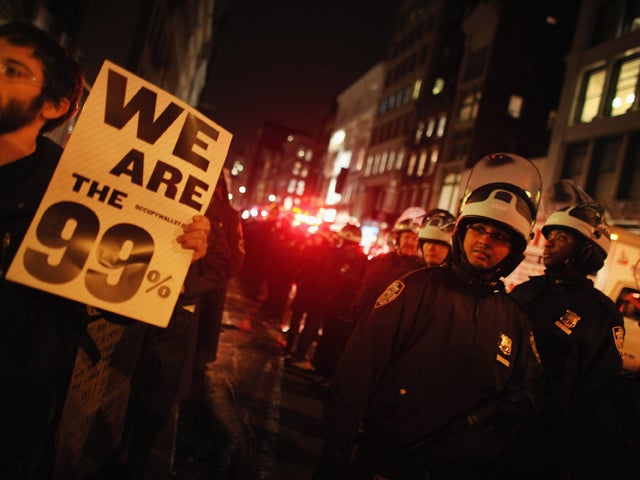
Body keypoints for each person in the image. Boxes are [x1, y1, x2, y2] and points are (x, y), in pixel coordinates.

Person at [0, 20, 210, 479]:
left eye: (12, 70)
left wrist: (176, 257)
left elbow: (115, 303)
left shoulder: (71, 190)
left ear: (56, 106)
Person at [314, 153, 544, 480]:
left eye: (500, 236)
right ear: (462, 232)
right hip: (387, 460)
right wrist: (337, 446)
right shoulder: (414, 289)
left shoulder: (515, 321)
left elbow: (525, 398)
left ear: (514, 250)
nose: (485, 241)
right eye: (479, 228)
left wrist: (485, 445)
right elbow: (360, 365)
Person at [503, 180, 626, 478]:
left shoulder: (601, 314)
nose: (549, 242)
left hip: (542, 444)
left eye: (562, 237)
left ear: (587, 251)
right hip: (494, 429)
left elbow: (598, 395)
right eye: (550, 235)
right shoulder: (524, 291)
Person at [351, 207, 426, 323]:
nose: (410, 242)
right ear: (397, 239)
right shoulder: (379, 261)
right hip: (364, 322)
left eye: (414, 239)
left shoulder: (421, 272)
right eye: (406, 237)